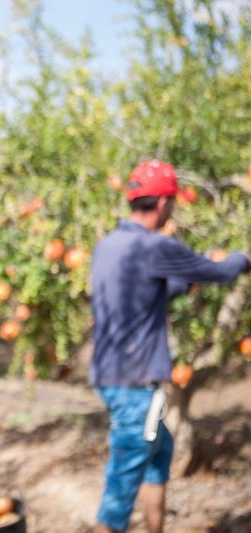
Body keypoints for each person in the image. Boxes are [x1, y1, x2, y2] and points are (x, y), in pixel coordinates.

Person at [88, 160, 251, 533]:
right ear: (163, 203)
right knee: (118, 496)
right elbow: (223, 273)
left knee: (158, 457)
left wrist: (187, 280)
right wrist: (242, 259)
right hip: (134, 386)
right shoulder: (155, 246)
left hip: (112, 374)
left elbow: (151, 292)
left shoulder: (108, 246)